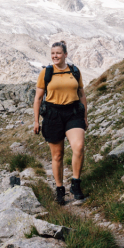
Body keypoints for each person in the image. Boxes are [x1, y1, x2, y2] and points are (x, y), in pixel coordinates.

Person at [33, 41, 88, 205]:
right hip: (53, 114)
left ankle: (76, 184)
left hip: (73, 113)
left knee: (78, 146)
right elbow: (38, 98)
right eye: (53, 53)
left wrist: (85, 117)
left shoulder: (75, 71)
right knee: (57, 155)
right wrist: (36, 121)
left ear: (65, 54)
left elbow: (82, 95)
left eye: (58, 53)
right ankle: (59, 190)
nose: (55, 56)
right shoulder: (46, 72)